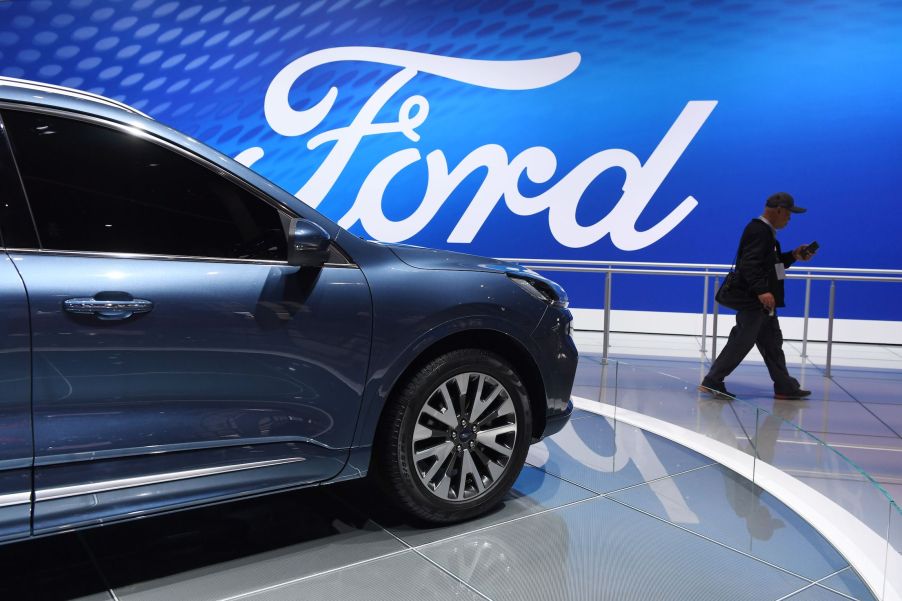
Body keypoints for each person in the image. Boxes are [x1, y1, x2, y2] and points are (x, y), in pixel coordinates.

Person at [699, 192, 817, 400]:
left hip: (763, 303)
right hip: (754, 301)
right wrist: (762, 291)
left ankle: (784, 386)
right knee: (742, 341)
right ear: (779, 210)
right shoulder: (758, 230)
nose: (789, 219)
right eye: (789, 214)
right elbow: (749, 264)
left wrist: (794, 255)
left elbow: (772, 264)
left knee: (772, 343)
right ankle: (713, 380)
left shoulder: (767, 233)